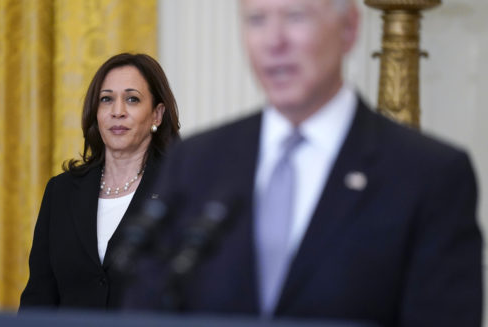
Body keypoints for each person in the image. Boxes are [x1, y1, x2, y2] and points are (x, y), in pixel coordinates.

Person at [122, 1, 483, 326]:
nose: (274, 41)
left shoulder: (430, 174)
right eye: (257, 20)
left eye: (296, 16)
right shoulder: (198, 161)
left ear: (349, 28)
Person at [19, 53, 180, 309]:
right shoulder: (61, 192)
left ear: (156, 115)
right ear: (96, 112)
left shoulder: (178, 191)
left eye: (132, 99)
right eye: (106, 100)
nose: (118, 112)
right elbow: (38, 297)